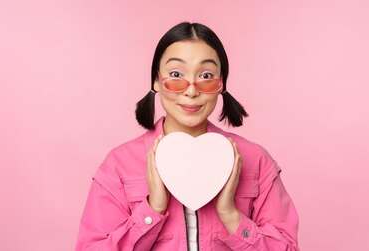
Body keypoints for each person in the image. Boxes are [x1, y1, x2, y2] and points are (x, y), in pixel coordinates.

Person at [75, 22, 299, 250]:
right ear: (156, 80)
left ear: (221, 84)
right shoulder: (118, 165)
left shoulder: (256, 161)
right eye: (175, 74)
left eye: (206, 75)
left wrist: (231, 215)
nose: (191, 91)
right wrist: (152, 209)